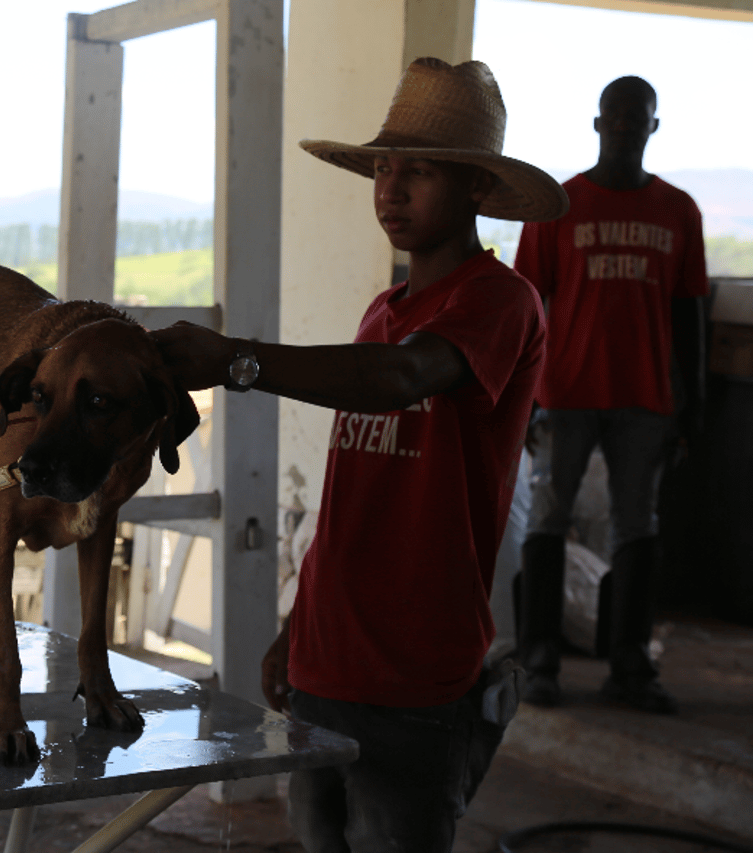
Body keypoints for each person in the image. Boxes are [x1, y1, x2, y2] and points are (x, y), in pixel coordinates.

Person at [154, 57, 567, 852]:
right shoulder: (382, 310)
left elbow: (401, 377)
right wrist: (295, 626)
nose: (391, 188)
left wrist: (235, 359)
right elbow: (354, 497)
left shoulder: (498, 300)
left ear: (478, 188)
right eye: (383, 168)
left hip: (416, 676)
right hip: (325, 662)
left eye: (419, 172)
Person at [512, 76, 707, 715]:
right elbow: (525, 306)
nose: (624, 125)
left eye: (637, 116)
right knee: (547, 519)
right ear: (597, 125)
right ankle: (539, 660)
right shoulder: (558, 206)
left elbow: (689, 315)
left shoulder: (680, 211)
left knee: (637, 529)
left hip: (645, 398)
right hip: (565, 391)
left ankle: (630, 666)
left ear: (654, 127)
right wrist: (522, 396)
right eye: (614, 115)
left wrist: (692, 404)